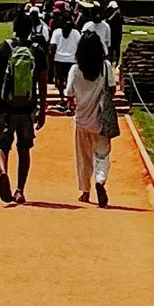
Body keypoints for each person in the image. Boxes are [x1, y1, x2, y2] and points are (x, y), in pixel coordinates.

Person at [0, 22, 41, 203]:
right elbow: (43, 81)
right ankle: (19, 190)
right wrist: (43, 109)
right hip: (27, 108)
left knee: (1, 146)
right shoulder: (36, 50)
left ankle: (3, 172)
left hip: (5, 107)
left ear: (15, 31)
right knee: (24, 149)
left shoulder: (4, 47)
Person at [65, 25, 117, 204]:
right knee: (102, 155)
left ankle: (85, 192)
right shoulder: (105, 66)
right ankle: (100, 180)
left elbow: (69, 94)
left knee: (83, 157)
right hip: (101, 120)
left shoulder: (75, 70)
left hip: (82, 120)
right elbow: (112, 89)